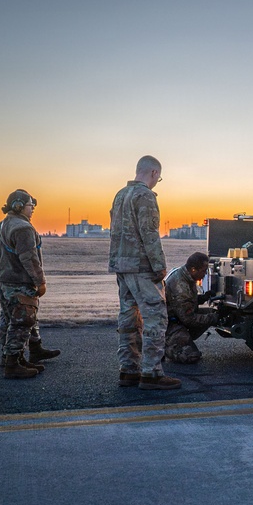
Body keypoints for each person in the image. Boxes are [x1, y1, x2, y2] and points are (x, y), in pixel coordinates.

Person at [108, 156, 181, 390]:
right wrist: (159, 265)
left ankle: (128, 370)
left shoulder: (120, 195)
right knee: (155, 318)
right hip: (141, 267)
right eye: (158, 177)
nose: (157, 181)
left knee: (128, 318)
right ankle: (151, 373)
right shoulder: (145, 196)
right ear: (153, 172)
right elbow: (150, 234)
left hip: (122, 265)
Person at [0, 189, 59, 379]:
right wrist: (40, 282)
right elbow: (29, 258)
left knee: (8, 321)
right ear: (18, 206)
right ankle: (13, 365)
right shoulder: (23, 228)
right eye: (31, 205)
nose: (33, 209)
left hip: (4, 282)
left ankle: (13, 358)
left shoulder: (1, 225)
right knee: (22, 322)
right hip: (18, 283)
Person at [164, 252, 219, 364]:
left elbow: (184, 303)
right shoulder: (180, 285)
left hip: (177, 319)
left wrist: (202, 298)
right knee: (190, 356)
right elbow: (188, 319)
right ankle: (163, 348)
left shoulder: (186, 276)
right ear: (193, 269)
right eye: (203, 271)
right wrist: (215, 318)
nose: (204, 275)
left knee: (210, 313)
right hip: (169, 325)